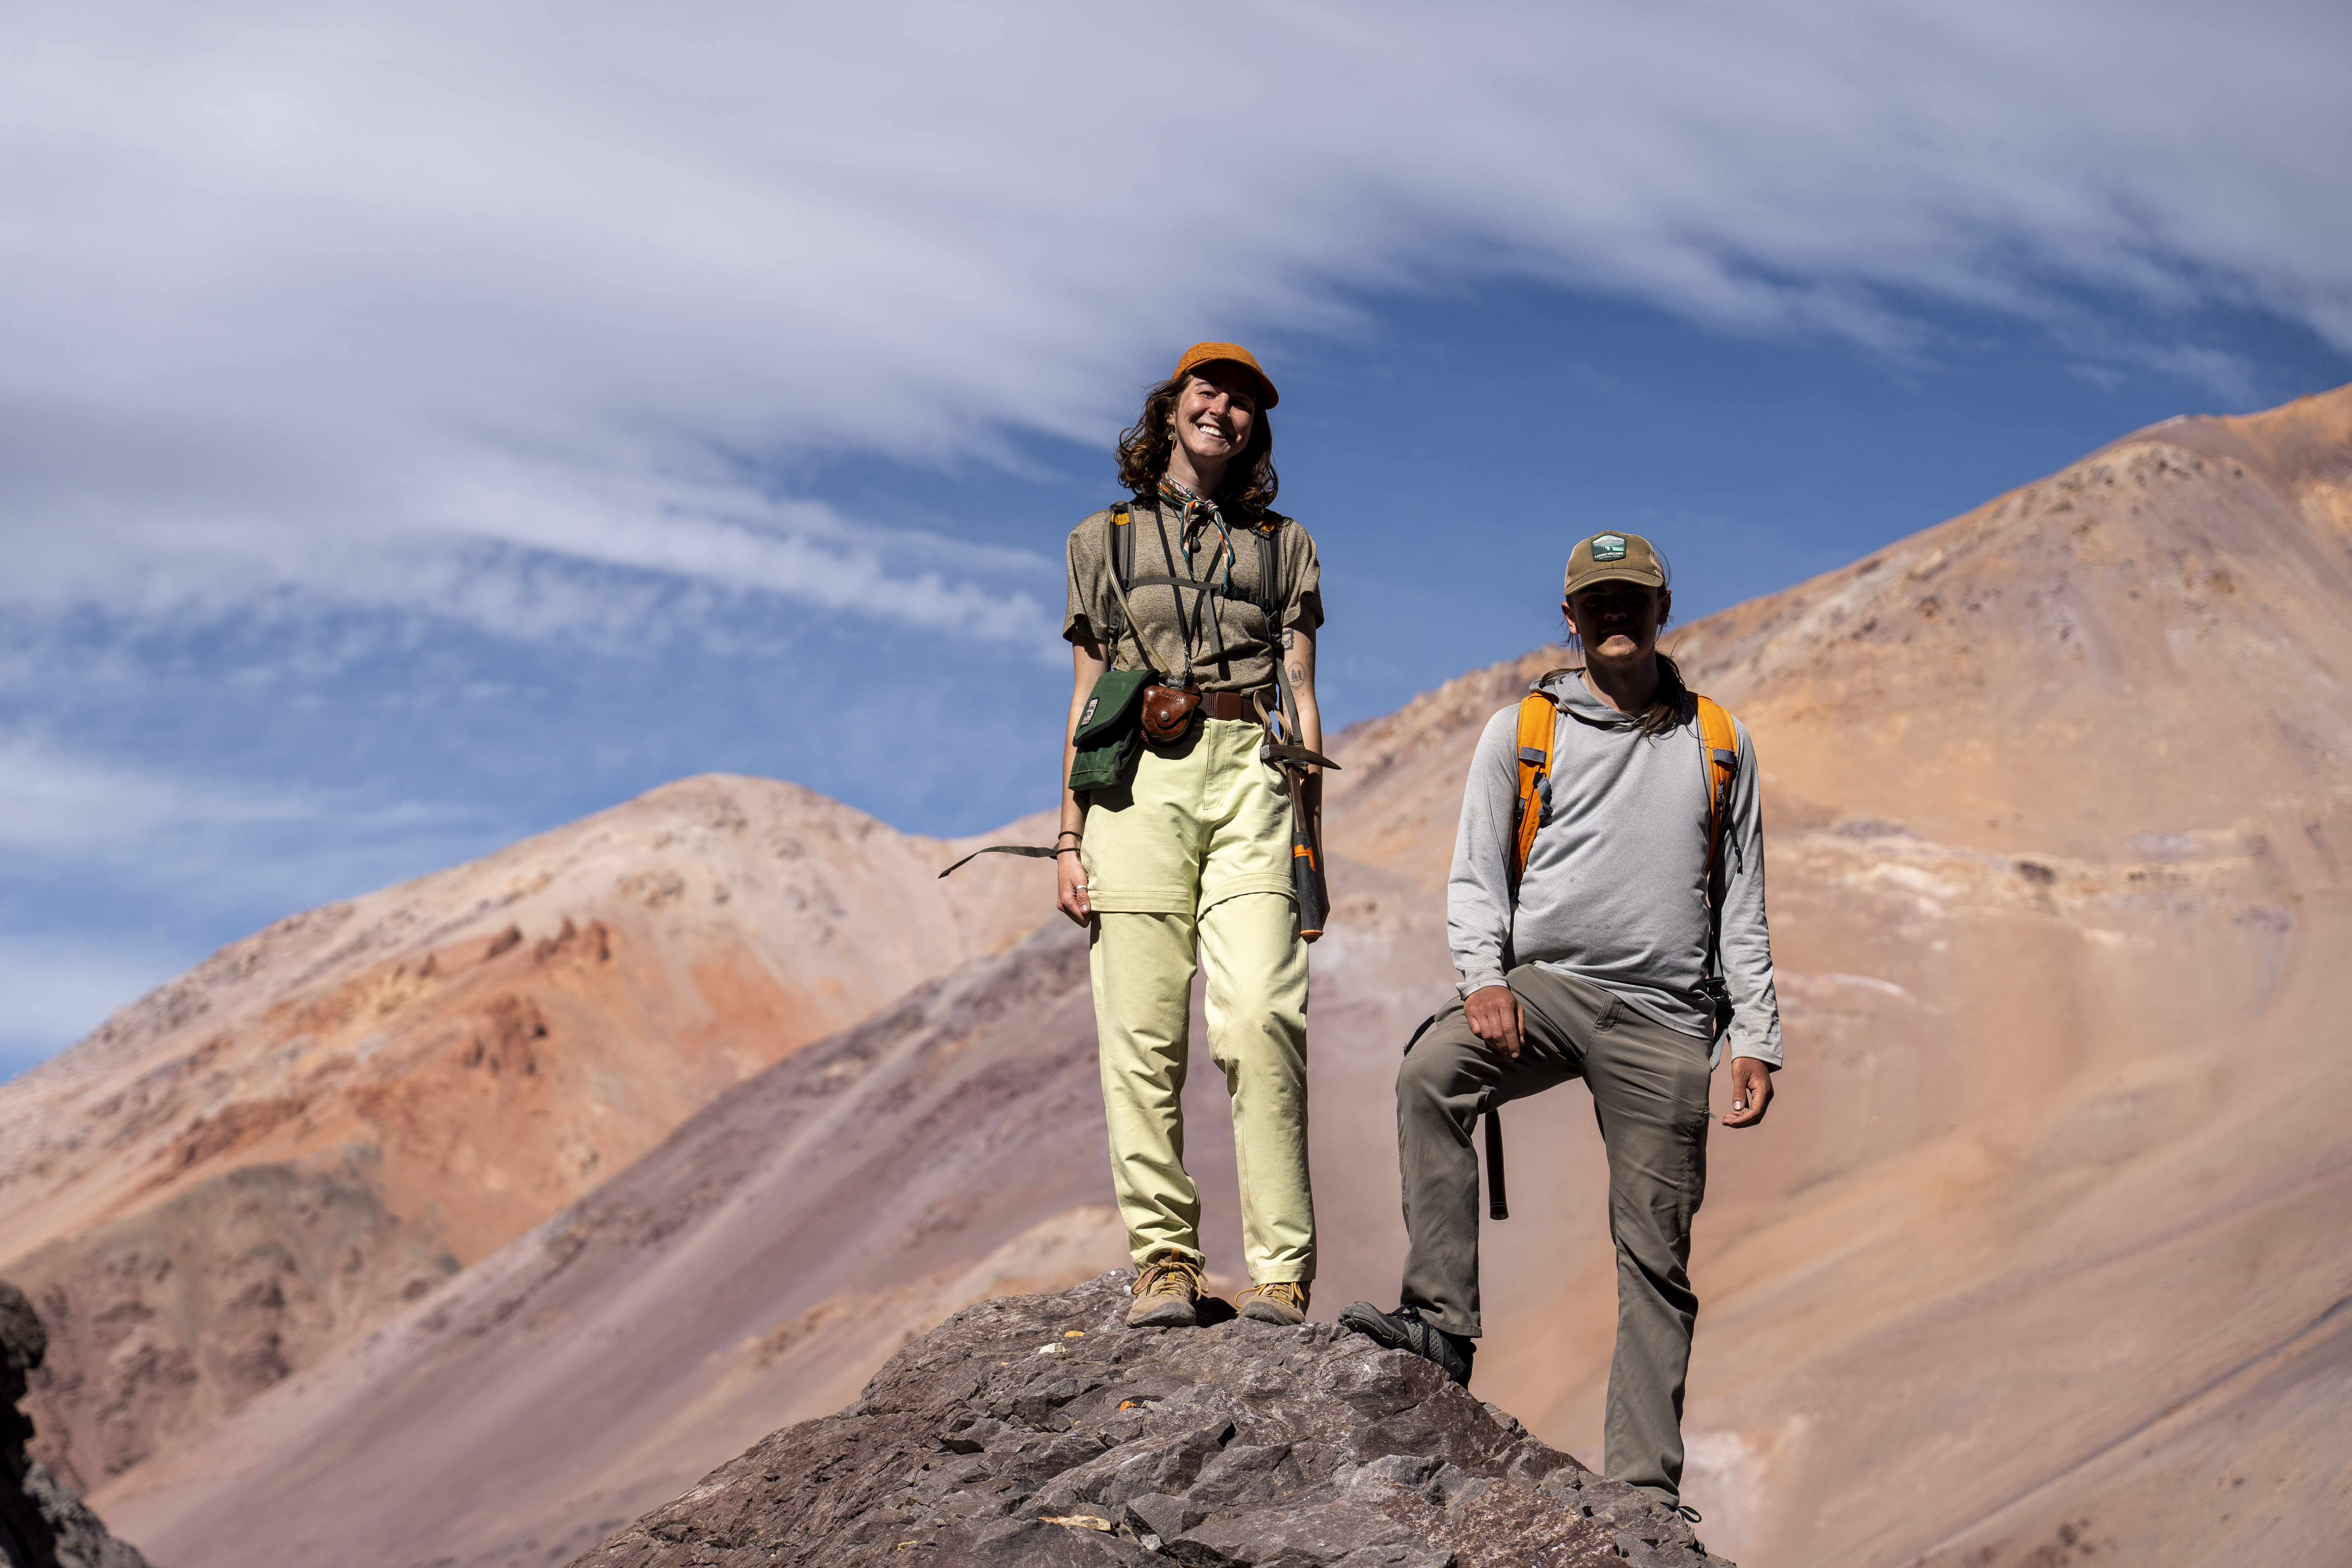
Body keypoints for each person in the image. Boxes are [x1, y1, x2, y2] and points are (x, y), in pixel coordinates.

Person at [1340, 530, 1782, 1508]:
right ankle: (1441, 1326)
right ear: (1570, 619)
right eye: (1598, 602)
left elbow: (1743, 900)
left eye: (1634, 600)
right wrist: (1482, 978)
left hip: (1668, 1018)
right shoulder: (1522, 732)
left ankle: (1643, 1489)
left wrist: (1756, 1035)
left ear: (1664, 611)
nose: (1616, 615)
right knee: (1431, 1074)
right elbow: (1476, 873)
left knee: (1657, 1254)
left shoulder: (1719, 739)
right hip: (1545, 989)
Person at [1057, 342, 1328, 1330]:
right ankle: (1164, 1261)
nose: (1226, 410)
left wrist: (1312, 846)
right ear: (1171, 408)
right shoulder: (1104, 537)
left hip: (1252, 768)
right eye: (1209, 393)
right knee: (1139, 1030)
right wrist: (1065, 836)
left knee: (1260, 1014)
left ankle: (1281, 1268)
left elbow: (1300, 689)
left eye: (1246, 401)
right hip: (1134, 779)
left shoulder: (1285, 543)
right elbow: (1087, 692)